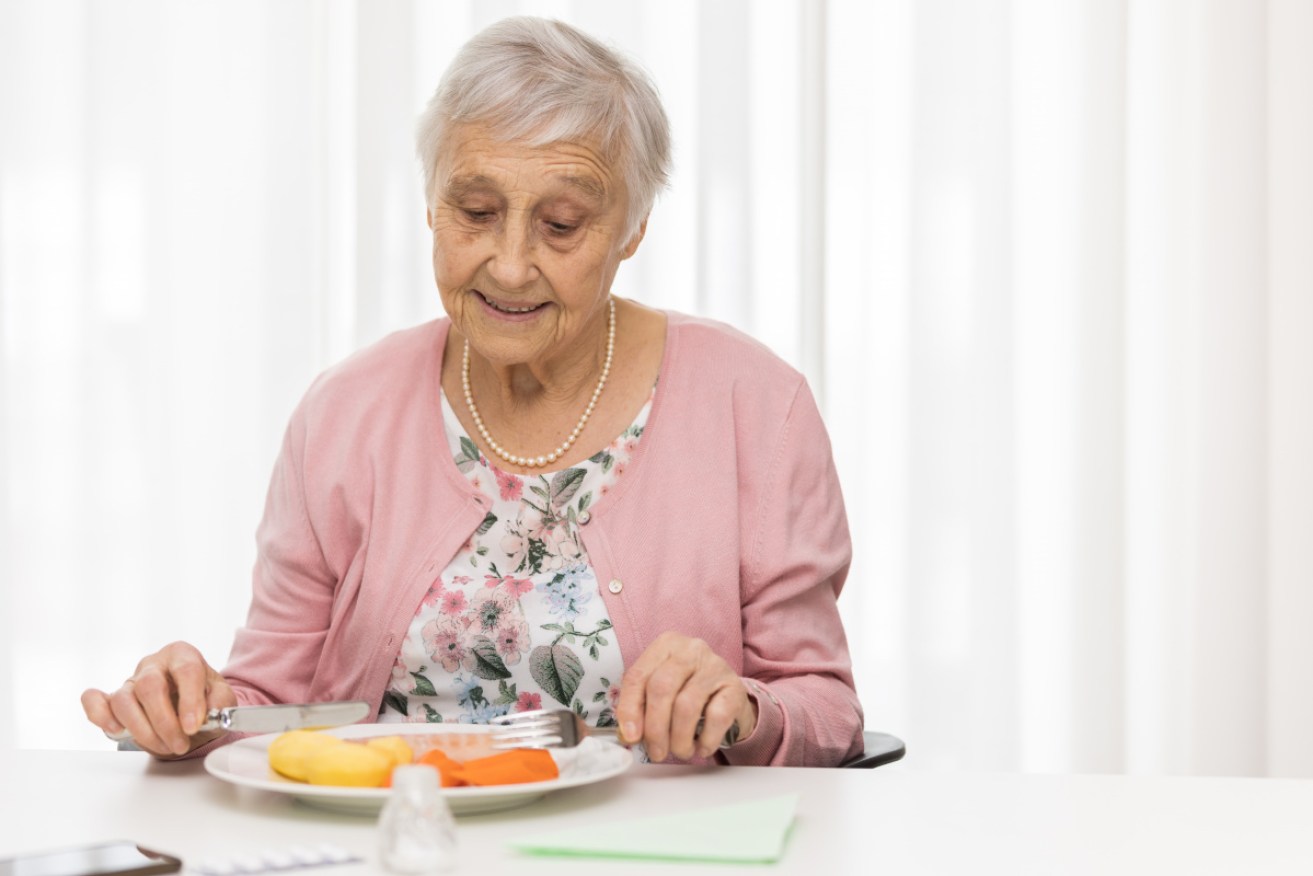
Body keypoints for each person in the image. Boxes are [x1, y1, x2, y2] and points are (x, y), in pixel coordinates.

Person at [81, 16, 863, 767]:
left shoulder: (755, 405)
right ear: (429, 201)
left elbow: (826, 713)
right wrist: (191, 710)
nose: (511, 264)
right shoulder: (343, 415)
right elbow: (270, 702)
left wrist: (742, 712)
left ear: (632, 227)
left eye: (561, 224)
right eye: (476, 212)